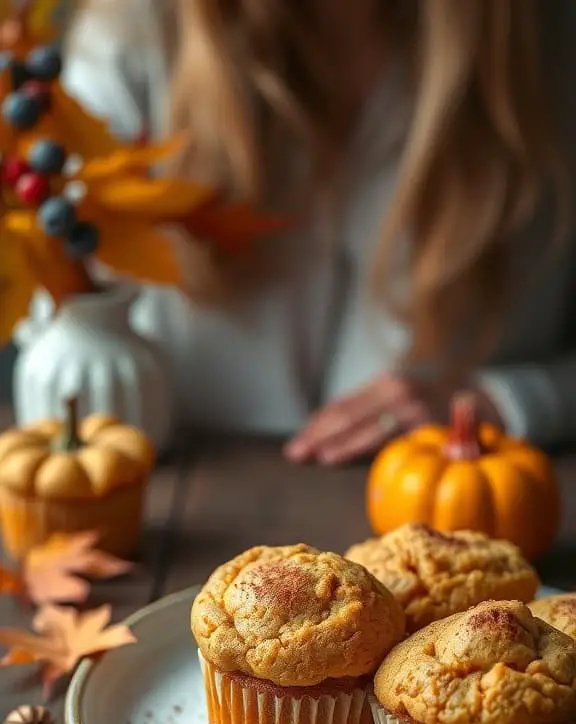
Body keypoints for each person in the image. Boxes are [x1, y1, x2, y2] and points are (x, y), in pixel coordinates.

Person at [56, 0, 576, 463]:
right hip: (180, 514)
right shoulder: (135, 32)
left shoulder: (551, 45)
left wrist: (508, 400)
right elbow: (55, 303)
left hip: (458, 505)